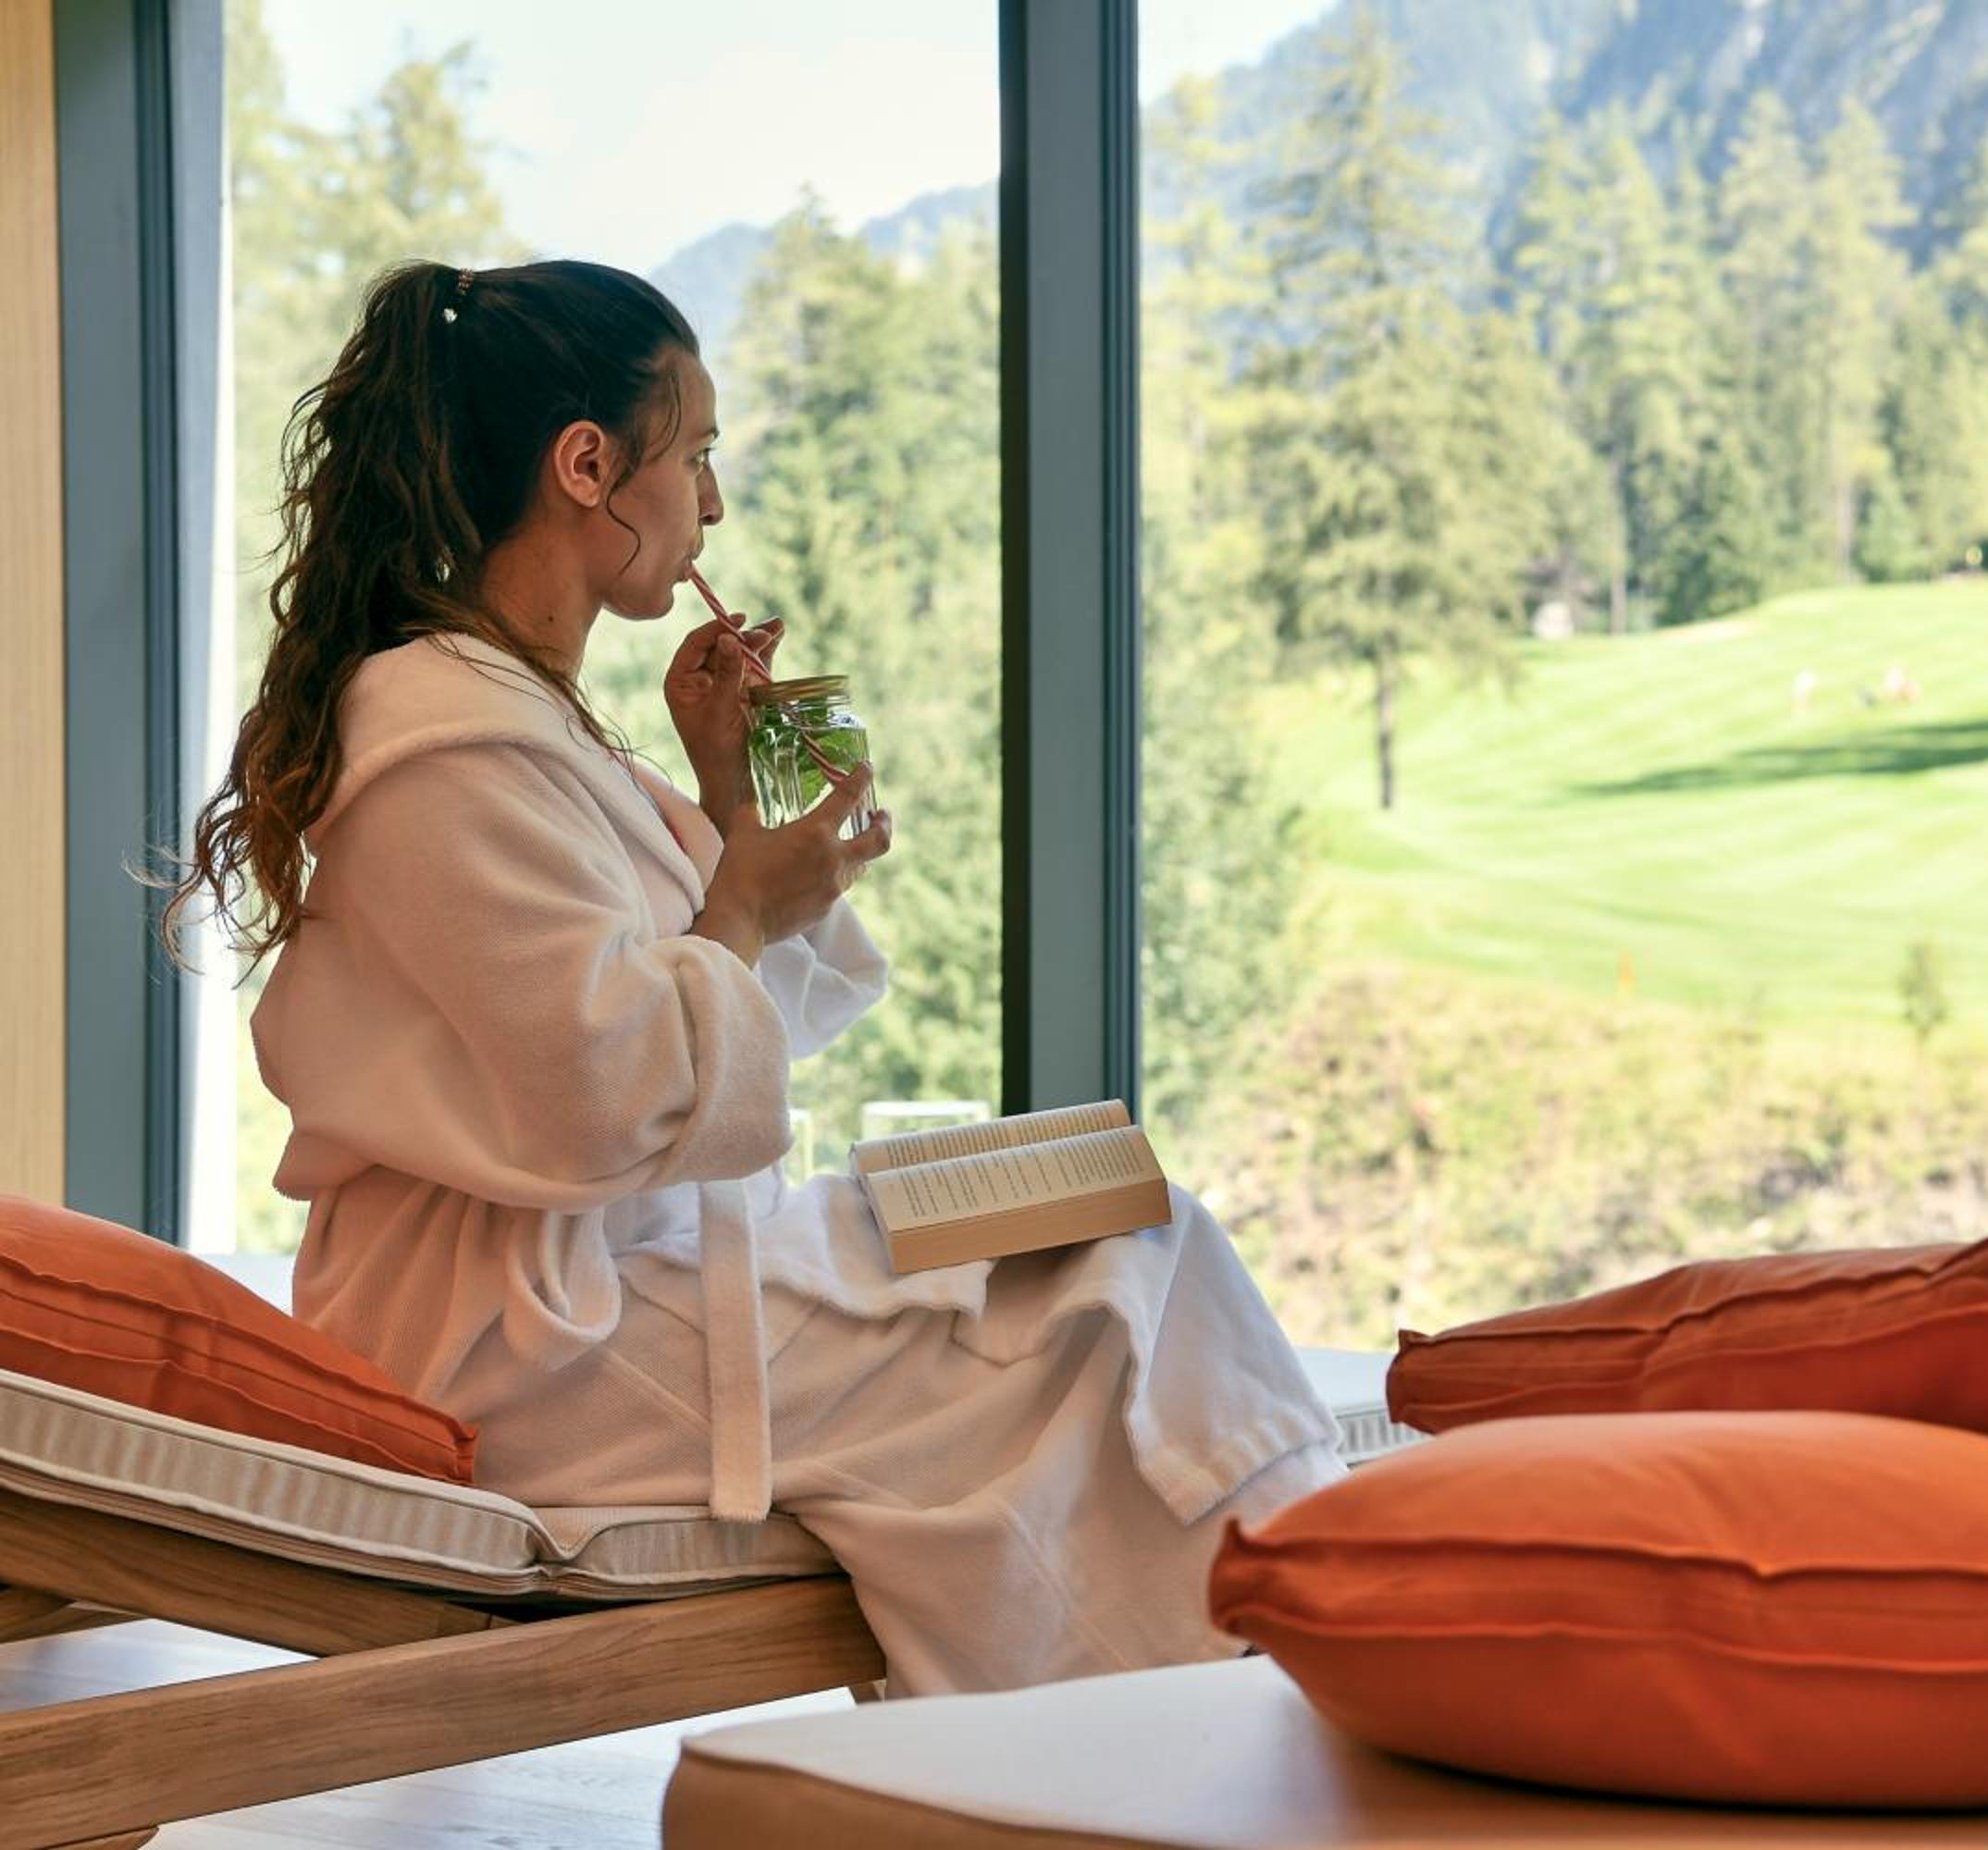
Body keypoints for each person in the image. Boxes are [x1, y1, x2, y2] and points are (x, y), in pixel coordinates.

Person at [164, 259, 1344, 1696]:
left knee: (1117, 1193)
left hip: (643, 1267)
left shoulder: (524, 719)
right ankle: (1299, 1651)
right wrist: (739, 898)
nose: (713, 505)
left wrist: (740, 822)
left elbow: (688, 1053)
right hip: (536, 1342)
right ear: (588, 466)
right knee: (1100, 1283)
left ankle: (1279, 1635)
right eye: (698, 453)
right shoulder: (442, 744)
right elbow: (604, 1097)